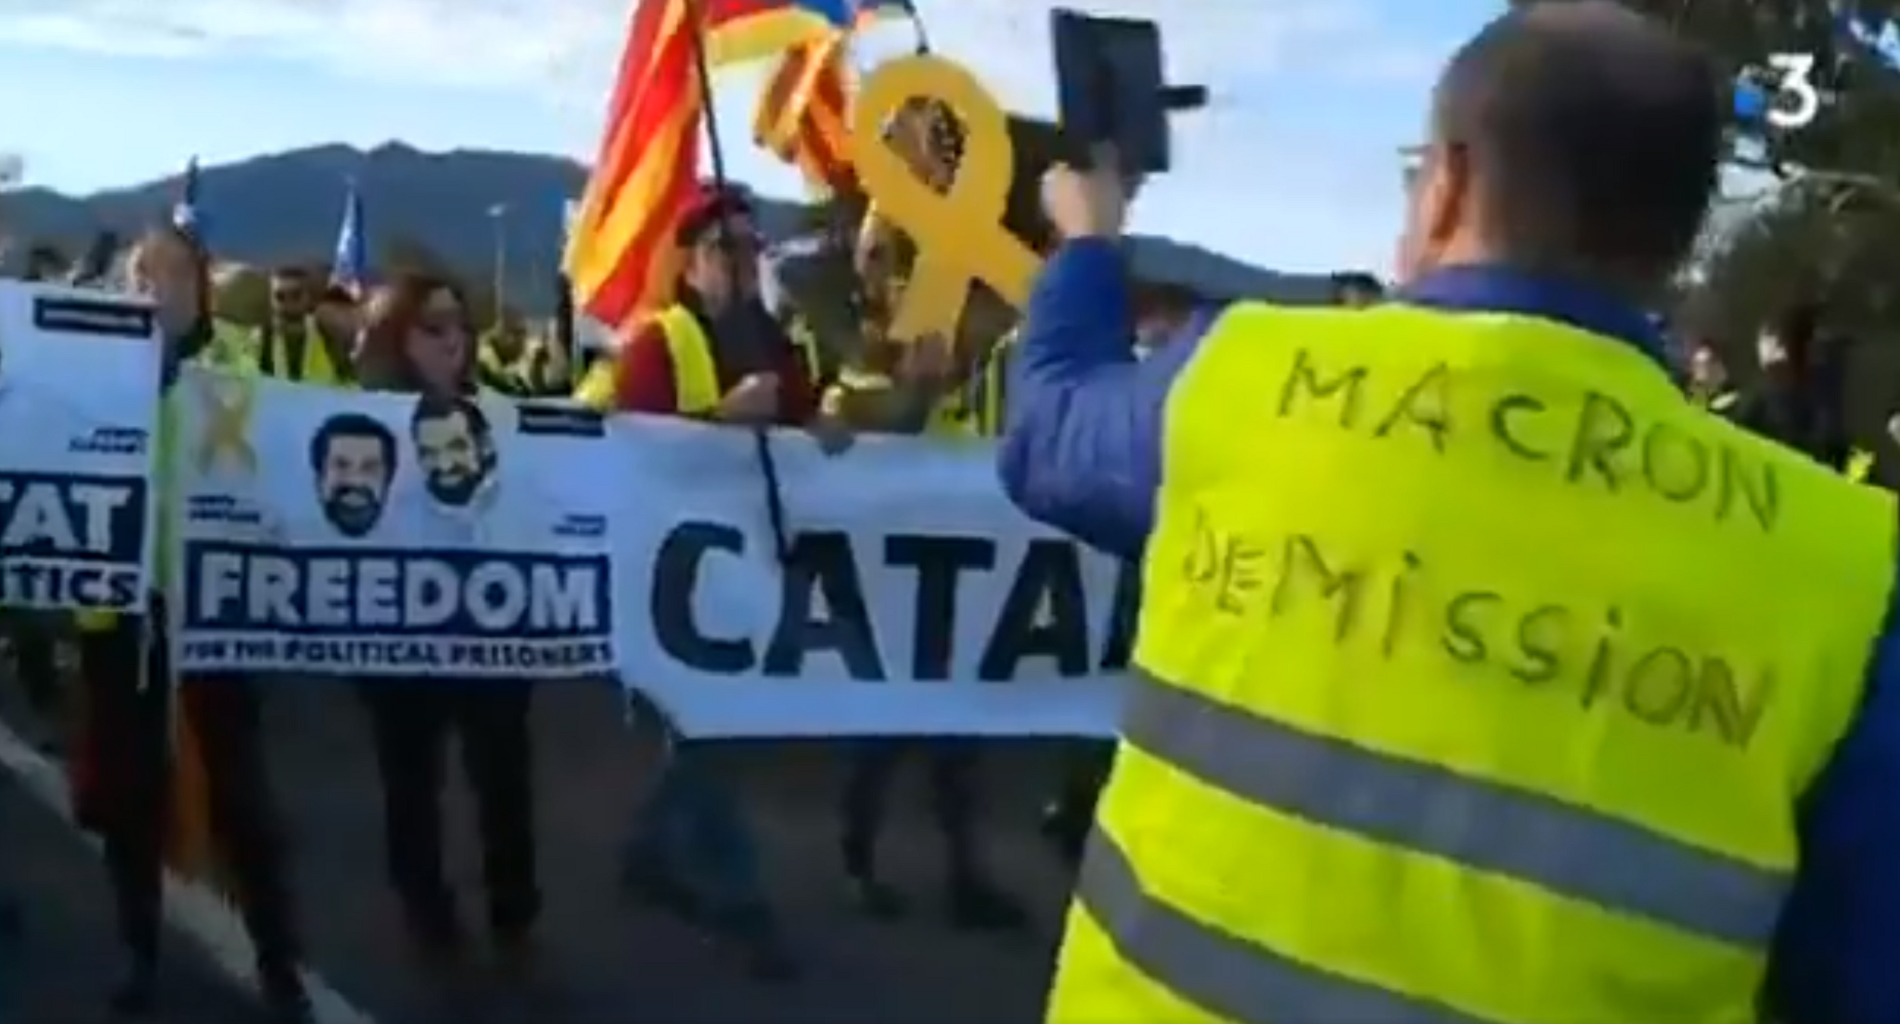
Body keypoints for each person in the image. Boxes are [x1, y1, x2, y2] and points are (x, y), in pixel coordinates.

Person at [1004, 4, 1900, 1023]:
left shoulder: (1239, 377)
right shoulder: (1849, 564)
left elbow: (1047, 434)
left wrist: (1087, 241)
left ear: (1449, 185)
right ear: (1676, 235)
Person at [73, 224, 311, 1021]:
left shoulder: (231, 368)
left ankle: (280, 963)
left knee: (244, 798)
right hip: (118, 612)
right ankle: (137, 952)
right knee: (127, 796)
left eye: (166, 274)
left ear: (197, 286)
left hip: (211, 614)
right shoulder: (92, 372)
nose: (149, 289)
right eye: (136, 275)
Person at [610, 183, 848, 980]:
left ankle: (647, 850)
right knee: (714, 730)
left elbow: (813, 429)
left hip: (754, 562)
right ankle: (746, 908)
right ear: (691, 263)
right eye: (726, 250)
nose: (744, 265)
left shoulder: (776, 346)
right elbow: (636, 450)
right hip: (675, 572)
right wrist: (722, 418)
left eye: (754, 250)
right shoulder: (656, 344)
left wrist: (842, 427)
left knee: (714, 731)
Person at [352, 274, 540, 977]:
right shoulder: (361, 418)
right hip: (399, 640)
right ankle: (428, 918)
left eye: (459, 323)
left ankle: (515, 916)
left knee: (504, 779)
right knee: (411, 783)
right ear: (399, 336)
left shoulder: (500, 411)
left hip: (490, 631)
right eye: (433, 326)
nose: (453, 337)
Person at [255, 265, 353, 385]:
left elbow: (350, 386)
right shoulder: (261, 339)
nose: (289, 304)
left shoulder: (327, 335)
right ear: (271, 301)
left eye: (296, 295)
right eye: (280, 297)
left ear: (309, 298)